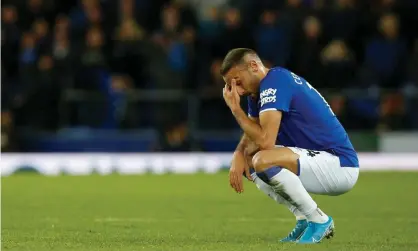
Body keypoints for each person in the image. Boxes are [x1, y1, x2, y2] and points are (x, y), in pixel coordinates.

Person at [220, 48, 359, 244]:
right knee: (250, 161)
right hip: (317, 158)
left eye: (238, 82)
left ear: (253, 66)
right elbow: (252, 136)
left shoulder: (275, 83)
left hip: (339, 164)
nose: (239, 91)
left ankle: (319, 220)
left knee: (263, 160)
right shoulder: (258, 92)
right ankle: (303, 219)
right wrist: (238, 154)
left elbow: (266, 141)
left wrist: (235, 109)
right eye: (232, 86)